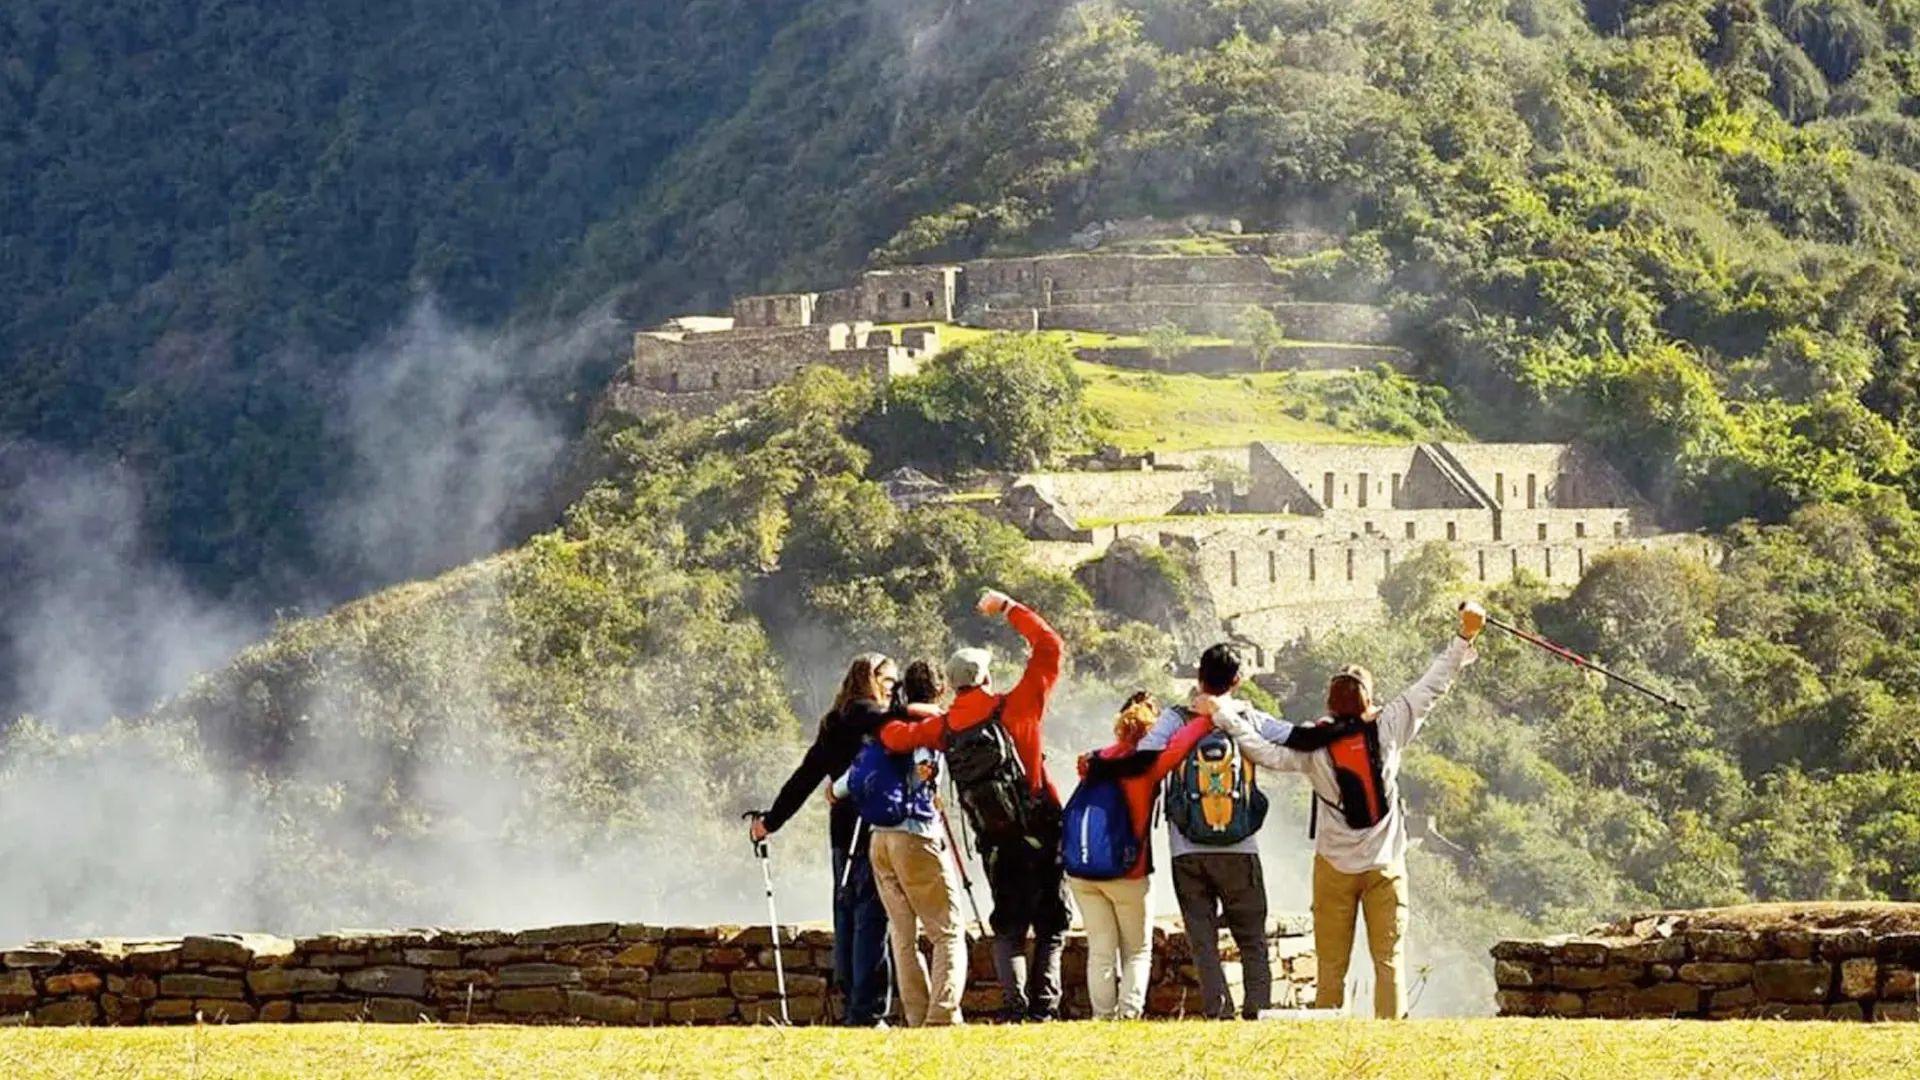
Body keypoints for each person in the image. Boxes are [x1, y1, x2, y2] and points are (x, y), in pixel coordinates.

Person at [1204, 601, 1484, 1019]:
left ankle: (1329, 1037)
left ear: (1330, 705)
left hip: (1333, 866)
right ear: (1369, 699)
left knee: (1331, 966)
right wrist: (1465, 636)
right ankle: (1391, 1037)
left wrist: (1224, 716)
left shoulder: (1313, 746)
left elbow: (1263, 751)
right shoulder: (1389, 727)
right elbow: (1432, 685)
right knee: (1388, 961)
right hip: (1385, 864)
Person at [876, 589, 1069, 1022]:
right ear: (984, 678)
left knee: (1009, 928)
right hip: (1040, 826)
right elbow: (1050, 646)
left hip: (994, 838)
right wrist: (1006, 608)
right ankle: (1045, 1007)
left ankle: (1014, 1005)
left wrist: (906, 709)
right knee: (1053, 924)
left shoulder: (944, 728)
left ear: (953, 685)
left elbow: (892, 737)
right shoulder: (1017, 706)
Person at [750, 653, 896, 1027]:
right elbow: (904, 724)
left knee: (846, 916)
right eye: (890, 680)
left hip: (840, 833)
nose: (893, 688)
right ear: (872, 679)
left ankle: (850, 1004)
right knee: (871, 919)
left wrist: (771, 821)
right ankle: (868, 1009)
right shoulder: (871, 715)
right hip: (870, 830)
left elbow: (806, 776)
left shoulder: (834, 722)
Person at [833, 659, 965, 1027]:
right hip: (916, 834)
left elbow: (841, 787)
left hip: (879, 839)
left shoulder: (884, 726)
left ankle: (916, 1012)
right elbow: (926, 768)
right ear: (940, 691)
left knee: (902, 934)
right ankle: (942, 1016)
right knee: (947, 931)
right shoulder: (927, 725)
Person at [1067, 691, 1215, 1020]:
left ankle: (1101, 1016)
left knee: (1101, 950)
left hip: (1084, 872)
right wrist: (1211, 713)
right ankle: (1129, 1014)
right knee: (1138, 950)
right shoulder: (1147, 766)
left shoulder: (1096, 760)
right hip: (1128, 871)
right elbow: (1183, 741)